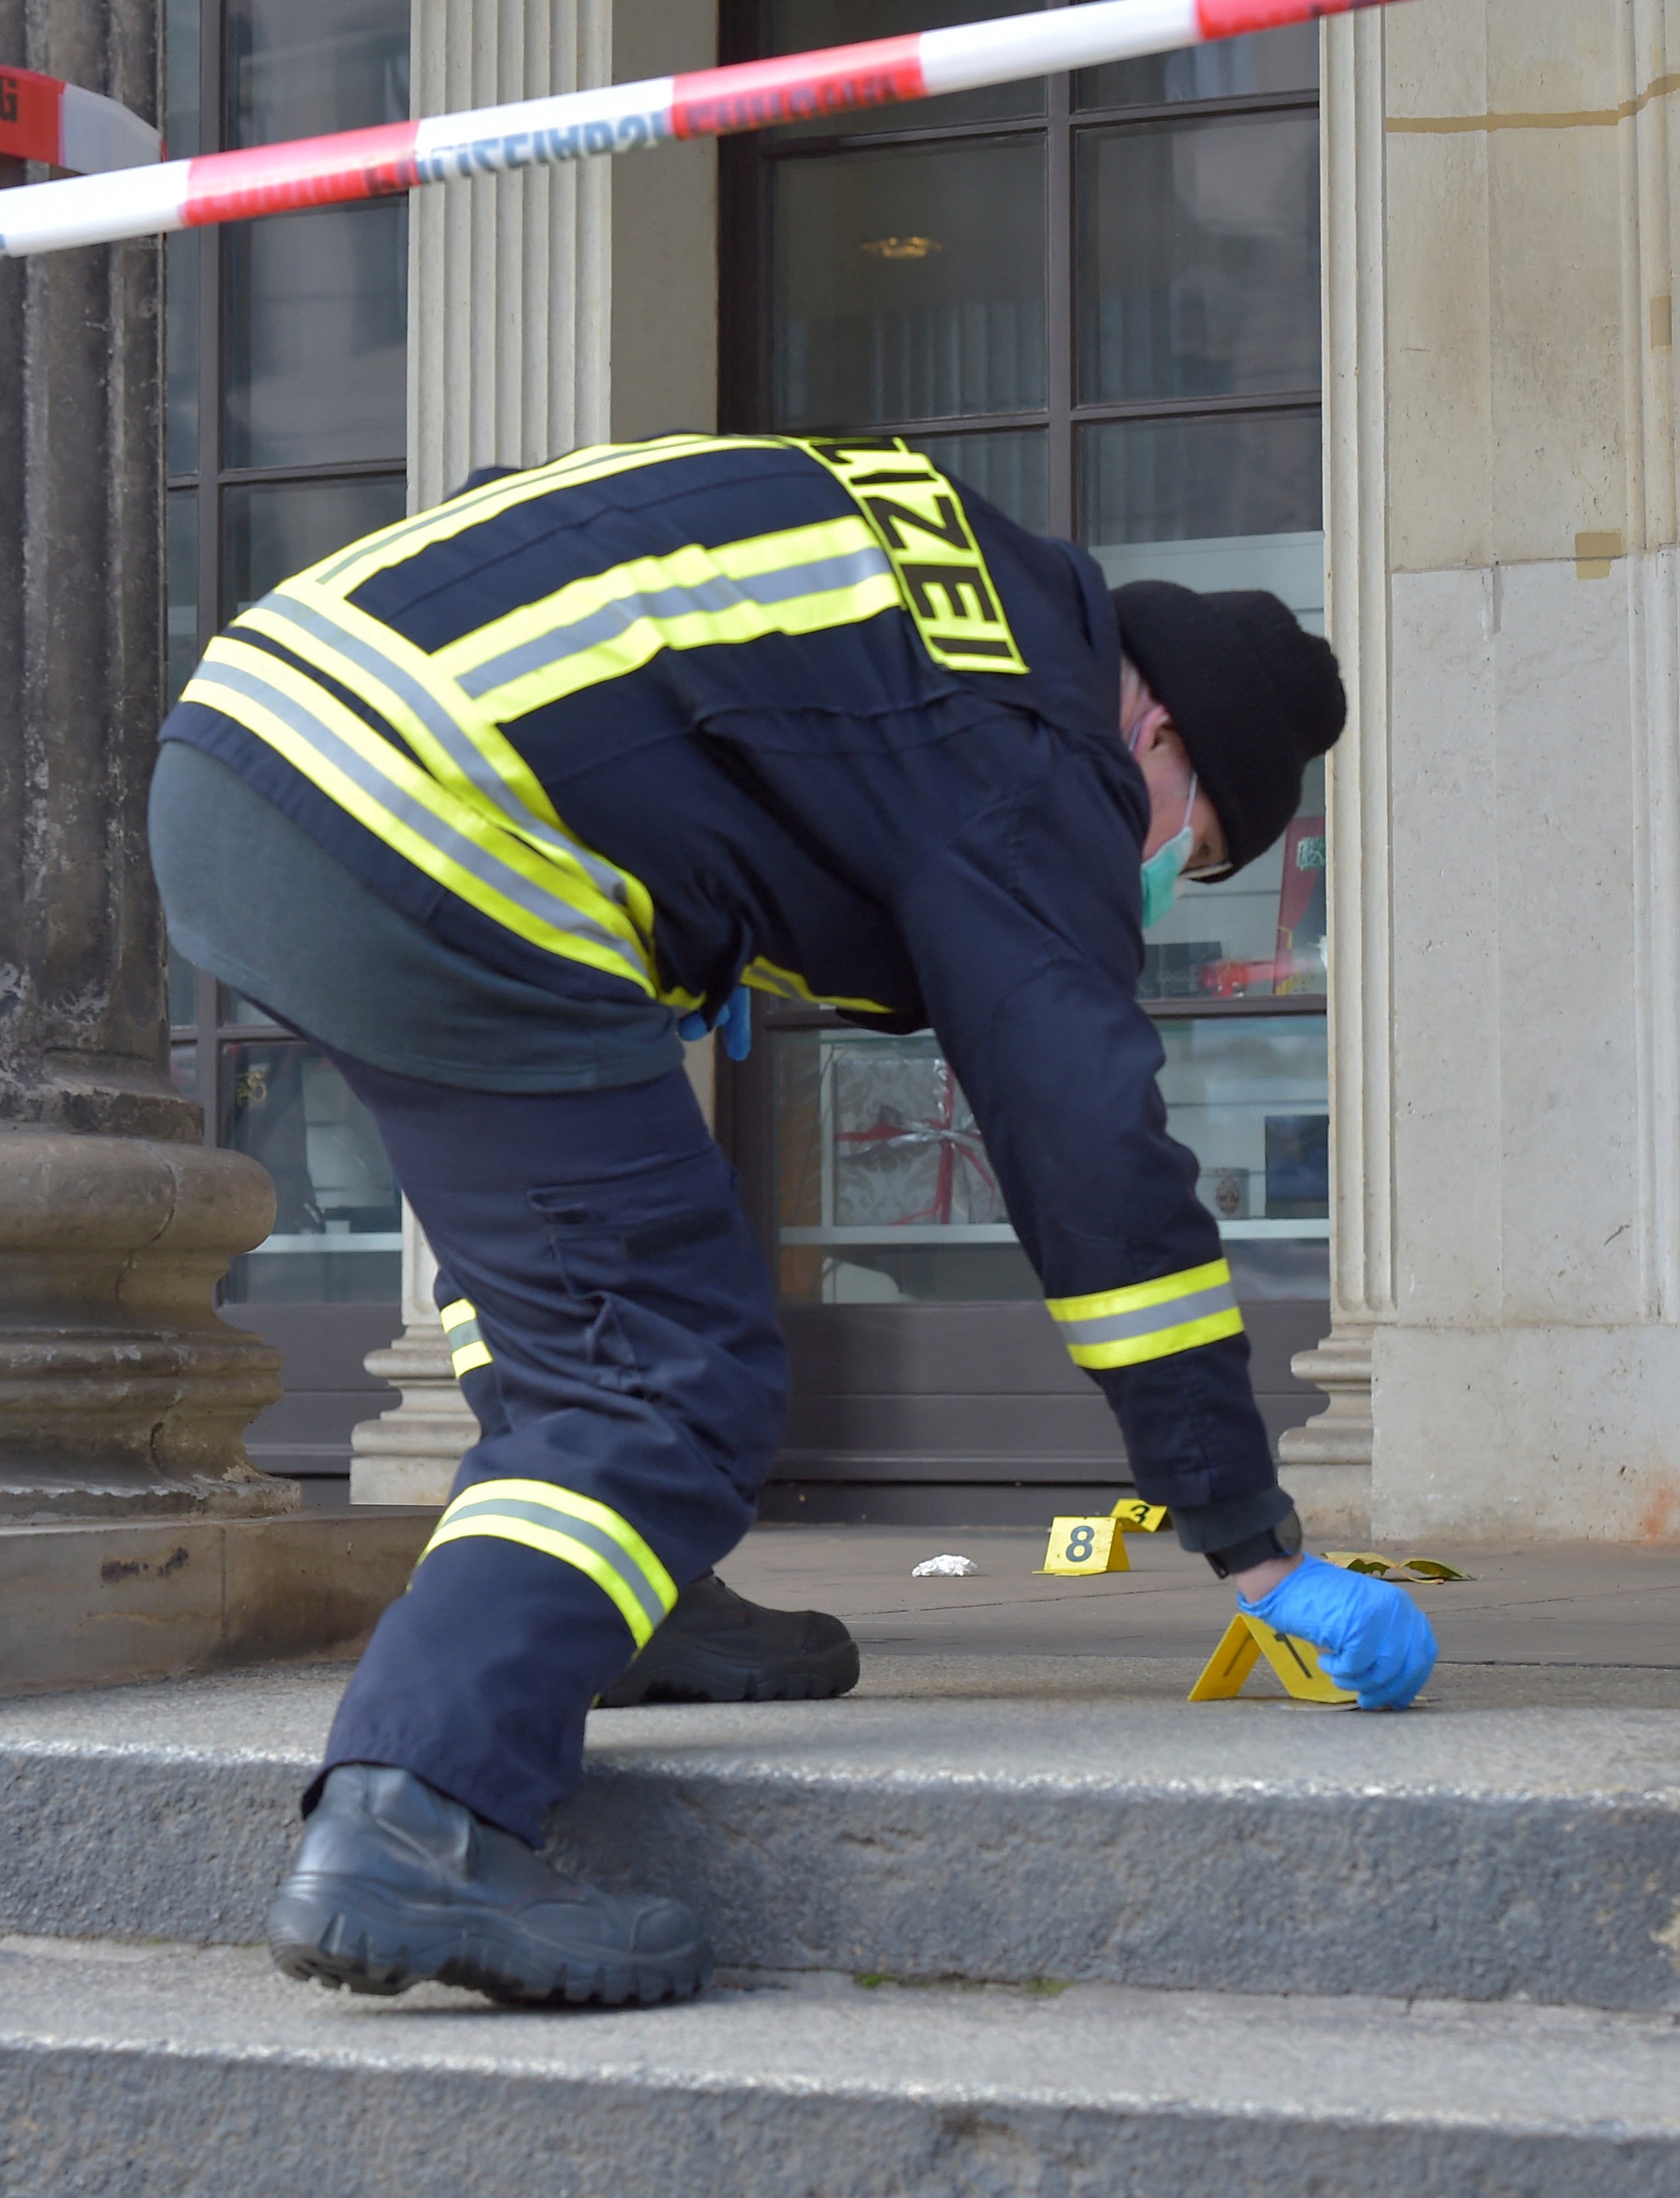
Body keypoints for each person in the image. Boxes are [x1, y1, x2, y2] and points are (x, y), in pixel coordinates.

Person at [148, 432, 1436, 2009]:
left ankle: (625, 1606)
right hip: (442, 810)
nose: (1157, 872)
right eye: (1192, 842)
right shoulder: (1040, 745)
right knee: (659, 1371)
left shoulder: (948, 592)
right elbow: (1090, 1148)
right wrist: (1247, 1537)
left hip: (255, 755)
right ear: (1160, 734)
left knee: (574, 1277)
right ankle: (417, 1813)